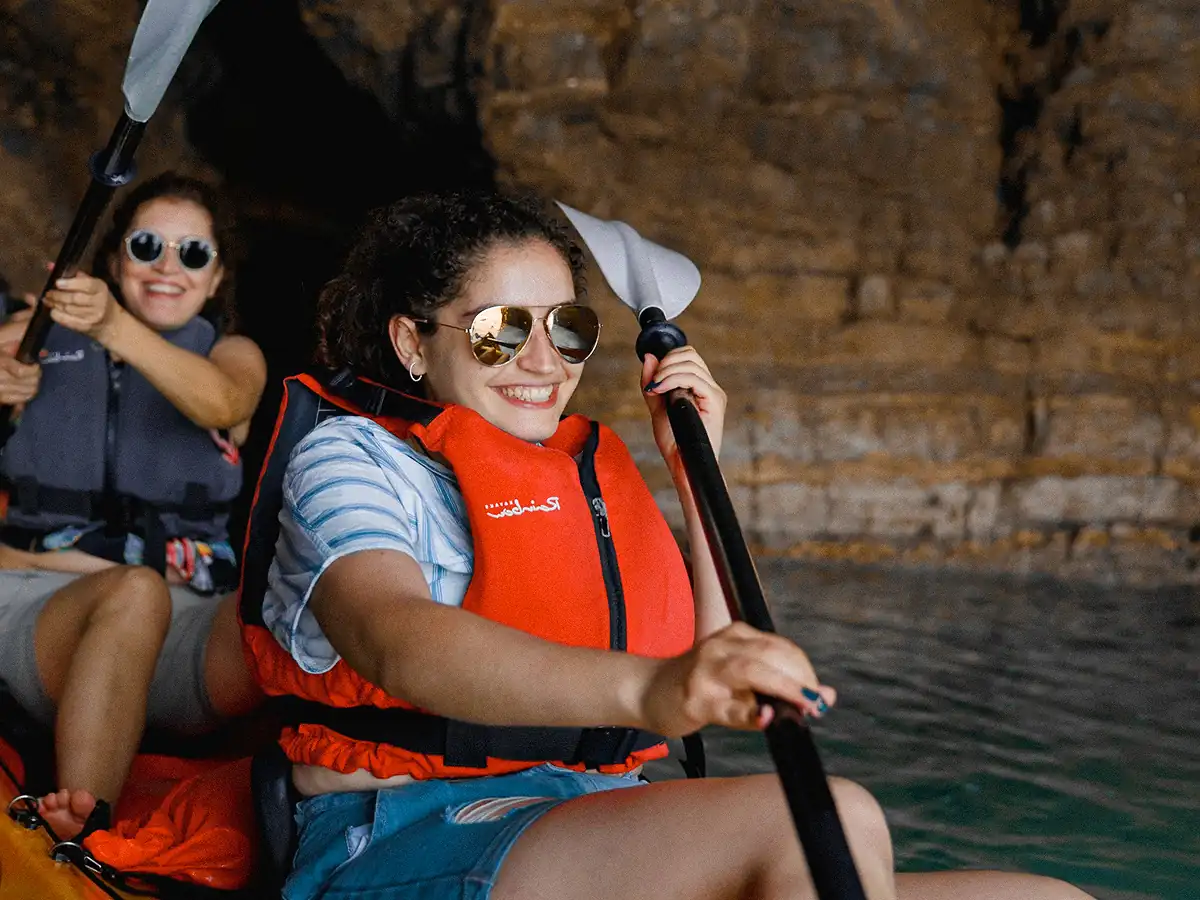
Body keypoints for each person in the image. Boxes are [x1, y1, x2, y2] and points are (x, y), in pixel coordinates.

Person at [246, 191, 1095, 900]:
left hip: (595, 812)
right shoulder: (348, 460)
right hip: (408, 828)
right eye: (501, 329)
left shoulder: (581, 478)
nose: (542, 360)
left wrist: (697, 470)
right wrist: (651, 691)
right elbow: (396, 640)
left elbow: (711, 657)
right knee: (832, 815)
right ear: (412, 341)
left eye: (567, 327)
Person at [0, 173, 266, 838]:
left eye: (193, 254)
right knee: (134, 592)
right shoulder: (33, 337)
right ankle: (82, 824)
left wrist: (112, 324)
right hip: (38, 612)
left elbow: (224, 403)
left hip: (183, 635)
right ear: (116, 260)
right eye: (147, 246)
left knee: (300, 598)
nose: (167, 267)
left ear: (217, 277)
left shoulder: (233, 357)